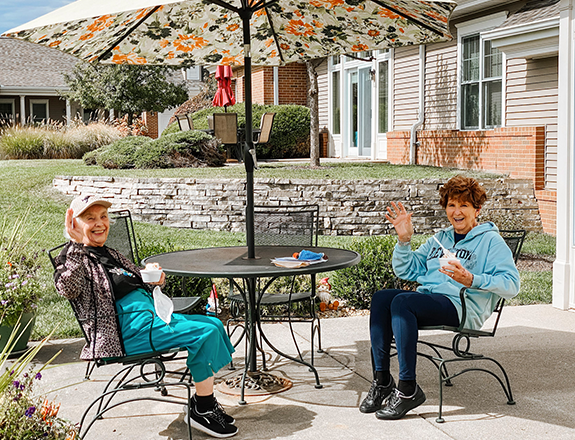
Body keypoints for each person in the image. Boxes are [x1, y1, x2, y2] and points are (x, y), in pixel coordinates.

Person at [53, 195, 238, 438]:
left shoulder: (108, 253)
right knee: (206, 332)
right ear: (74, 224)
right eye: (90, 218)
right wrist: (75, 244)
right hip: (125, 333)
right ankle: (202, 409)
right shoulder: (72, 259)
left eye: (103, 216)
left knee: (214, 322)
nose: (100, 223)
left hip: (150, 319)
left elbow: (132, 281)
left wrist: (154, 280)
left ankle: (203, 402)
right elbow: (67, 288)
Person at [360, 175, 520, 420]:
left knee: (403, 302)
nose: (457, 211)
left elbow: (512, 285)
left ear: (476, 209)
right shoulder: (440, 239)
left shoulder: (491, 241)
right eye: (451, 205)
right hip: (430, 301)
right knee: (382, 298)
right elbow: (407, 269)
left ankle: (407, 389)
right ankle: (382, 381)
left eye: (464, 205)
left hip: (462, 307)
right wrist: (404, 241)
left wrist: (472, 279)